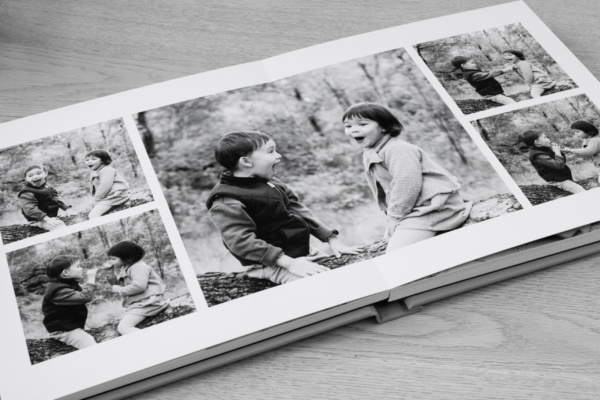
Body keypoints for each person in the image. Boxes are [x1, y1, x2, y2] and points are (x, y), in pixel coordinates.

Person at [206, 131, 359, 284]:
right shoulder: (226, 200)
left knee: (347, 276)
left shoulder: (271, 182)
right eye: (271, 151)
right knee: (321, 284)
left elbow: (297, 210)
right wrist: (289, 263)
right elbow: (241, 241)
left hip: (299, 252)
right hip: (271, 262)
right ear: (246, 162)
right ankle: (260, 273)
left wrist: (331, 238)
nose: (278, 155)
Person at [342, 102, 472, 252]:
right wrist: (390, 215)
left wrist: (394, 216)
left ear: (383, 127)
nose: (354, 130)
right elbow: (384, 187)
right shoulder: (370, 151)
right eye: (348, 126)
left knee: (396, 252)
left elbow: (406, 184)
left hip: (432, 207)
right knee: (387, 240)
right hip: (413, 207)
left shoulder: (397, 148)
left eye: (362, 124)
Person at [105, 240, 168, 335]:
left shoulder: (138, 267)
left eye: (113, 259)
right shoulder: (126, 267)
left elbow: (139, 286)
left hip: (149, 302)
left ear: (127, 257)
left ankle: (151, 339)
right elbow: (120, 283)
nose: (110, 262)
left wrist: (120, 290)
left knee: (123, 328)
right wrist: (110, 274)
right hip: (142, 302)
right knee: (122, 320)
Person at [42, 255, 98, 349]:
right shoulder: (58, 290)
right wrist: (91, 279)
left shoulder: (68, 284)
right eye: (78, 266)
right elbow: (85, 297)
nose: (81, 269)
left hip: (70, 325)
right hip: (63, 330)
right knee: (88, 342)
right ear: (66, 272)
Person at [520, 130, 585, 193]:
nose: (548, 139)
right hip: (557, 181)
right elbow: (559, 166)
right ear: (537, 142)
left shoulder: (545, 148)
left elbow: (563, 161)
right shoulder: (538, 155)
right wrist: (557, 152)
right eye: (545, 138)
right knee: (580, 190)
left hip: (563, 177)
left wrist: (560, 150)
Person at [17, 164, 72, 231]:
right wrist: (47, 219)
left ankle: (52, 218)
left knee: (69, 217)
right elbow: (30, 209)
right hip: (38, 218)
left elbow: (56, 197)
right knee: (60, 227)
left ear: (45, 173)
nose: (35, 176)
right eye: (30, 175)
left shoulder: (47, 186)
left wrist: (66, 208)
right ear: (26, 179)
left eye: (38, 173)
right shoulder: (26, 192)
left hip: (49, 215)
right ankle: (37, 224)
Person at [451, 56, 516, 105]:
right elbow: (490, 74)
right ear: (463, 65)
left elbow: (488, 72)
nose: (475, 64)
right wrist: (505, 70)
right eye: (472, 63)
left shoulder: (472, 71)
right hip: (491, 94)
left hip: (494, 92)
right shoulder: (472, 74)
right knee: (511, 102)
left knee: (506, 100)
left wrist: (504, 68)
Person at [85, 150, 131, 219]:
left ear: (103, 161)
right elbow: (94, 187)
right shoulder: (94, 171)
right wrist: (94, 199)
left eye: (93, 159)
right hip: (108, 196)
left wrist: (96, 199)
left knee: (93, 215)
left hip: (115, 196)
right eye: (87, 160)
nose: (89, 161)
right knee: (91, 206)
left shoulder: (107, 170)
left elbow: (105, 186)